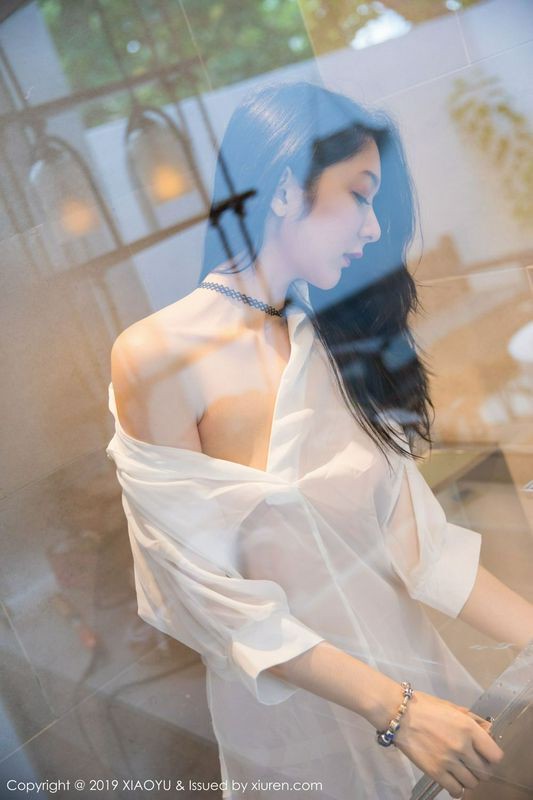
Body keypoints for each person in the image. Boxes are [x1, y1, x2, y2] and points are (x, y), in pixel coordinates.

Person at [106, 81, 533, 799]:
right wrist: (396, 711)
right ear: (283, 189)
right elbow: (205, 597)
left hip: (422, 697)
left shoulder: (328, 345)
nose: (372, 227)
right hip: (302, 733)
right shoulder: (157, 355)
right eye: (359, 195)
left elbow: (422, 550)